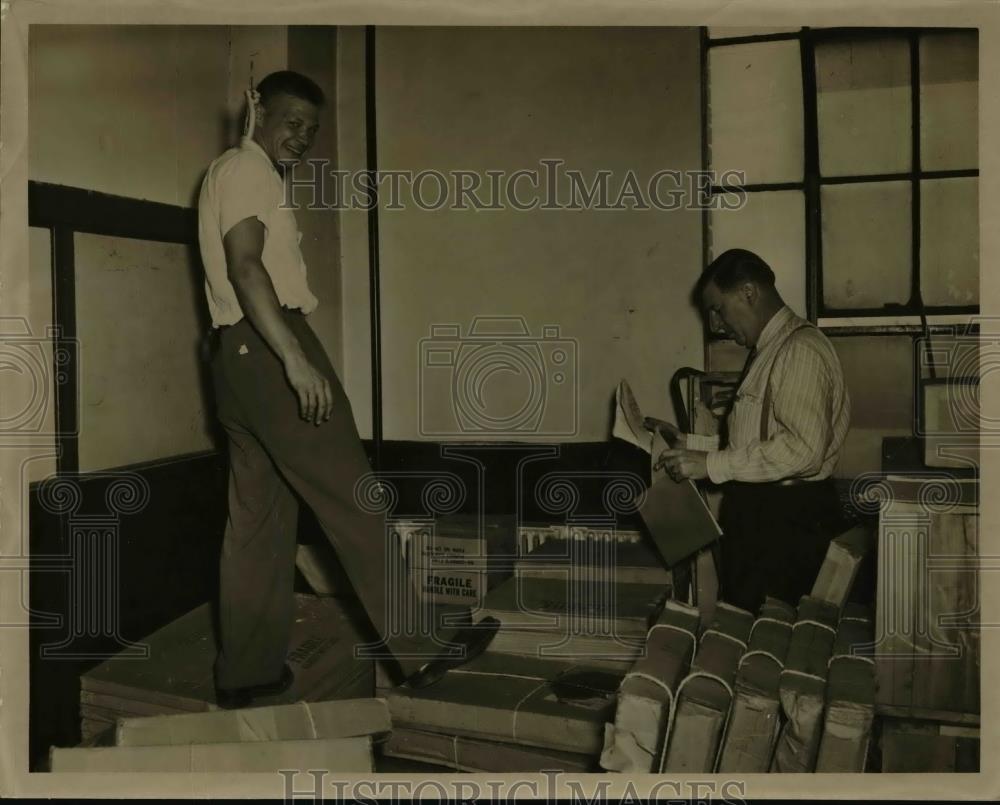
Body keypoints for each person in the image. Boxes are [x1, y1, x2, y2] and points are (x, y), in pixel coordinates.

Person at [197, 70, 498, 708]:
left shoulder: (228, 172)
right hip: (271, 346)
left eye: (311, 128)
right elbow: (245, 266)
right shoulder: (248, 170)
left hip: (231, 355)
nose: (302, 137)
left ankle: (246, 671)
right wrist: (296, 361)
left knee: (256, 524)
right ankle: (417, 649)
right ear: (256, 108)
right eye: (291, 121)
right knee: (353, 495)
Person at [648, 249, 850, 613]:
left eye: (718, 309)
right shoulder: (771, 350)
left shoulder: (799, 350)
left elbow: (803, 450)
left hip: (785, 524)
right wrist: (688, 443)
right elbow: (760, 441)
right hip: (767, 516)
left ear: (748, 292)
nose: (716, 324)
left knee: (766, 642)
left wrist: (711, 465)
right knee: (745, 631)